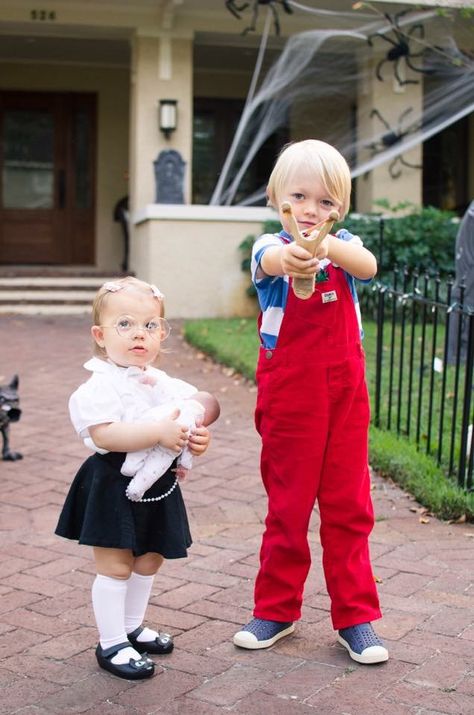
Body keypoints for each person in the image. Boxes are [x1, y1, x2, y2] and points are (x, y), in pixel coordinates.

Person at [233, 139, 388, 665]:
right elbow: (273, 261)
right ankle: (276, 609)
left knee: (348, 506)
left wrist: (327, 246)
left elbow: (366, 265)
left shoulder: (345, 246)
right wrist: (294, 256)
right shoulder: (266, 249)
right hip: (290, 397)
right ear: (278, 199)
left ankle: (356, 618)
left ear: (339, 208)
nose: (311, 210)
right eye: (299, 196)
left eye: (325, 202)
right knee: (288, 504)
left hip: (345, 395)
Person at [55, 276, 219, 680]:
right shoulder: (99, 384)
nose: (138, 335)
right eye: (124, 324)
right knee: (115, 565)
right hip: (111, 483)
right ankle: (111, 642)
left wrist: (196, 437)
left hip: (158, 485)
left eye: (149, 325)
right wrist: (157, 433)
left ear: (162, 333)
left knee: (149, 558)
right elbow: (104, 435)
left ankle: (131, 625)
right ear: (100, 334)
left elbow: (196, 408)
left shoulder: (165, 384)